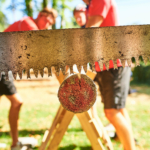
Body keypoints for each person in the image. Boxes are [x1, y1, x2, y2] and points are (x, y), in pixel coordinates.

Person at [82, 0, 136, 150]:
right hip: (105, 65)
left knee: (111, 112)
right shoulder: (91, 5)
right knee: (118, 110)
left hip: (112, 64)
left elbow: (91, 29)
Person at [2, 7, 57, 150]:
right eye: (46, 20)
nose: (47, 24)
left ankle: (15, 143)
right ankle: (15, 144)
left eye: (50, 23)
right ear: (39, 15)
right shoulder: (27, 22)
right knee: (17, 103)